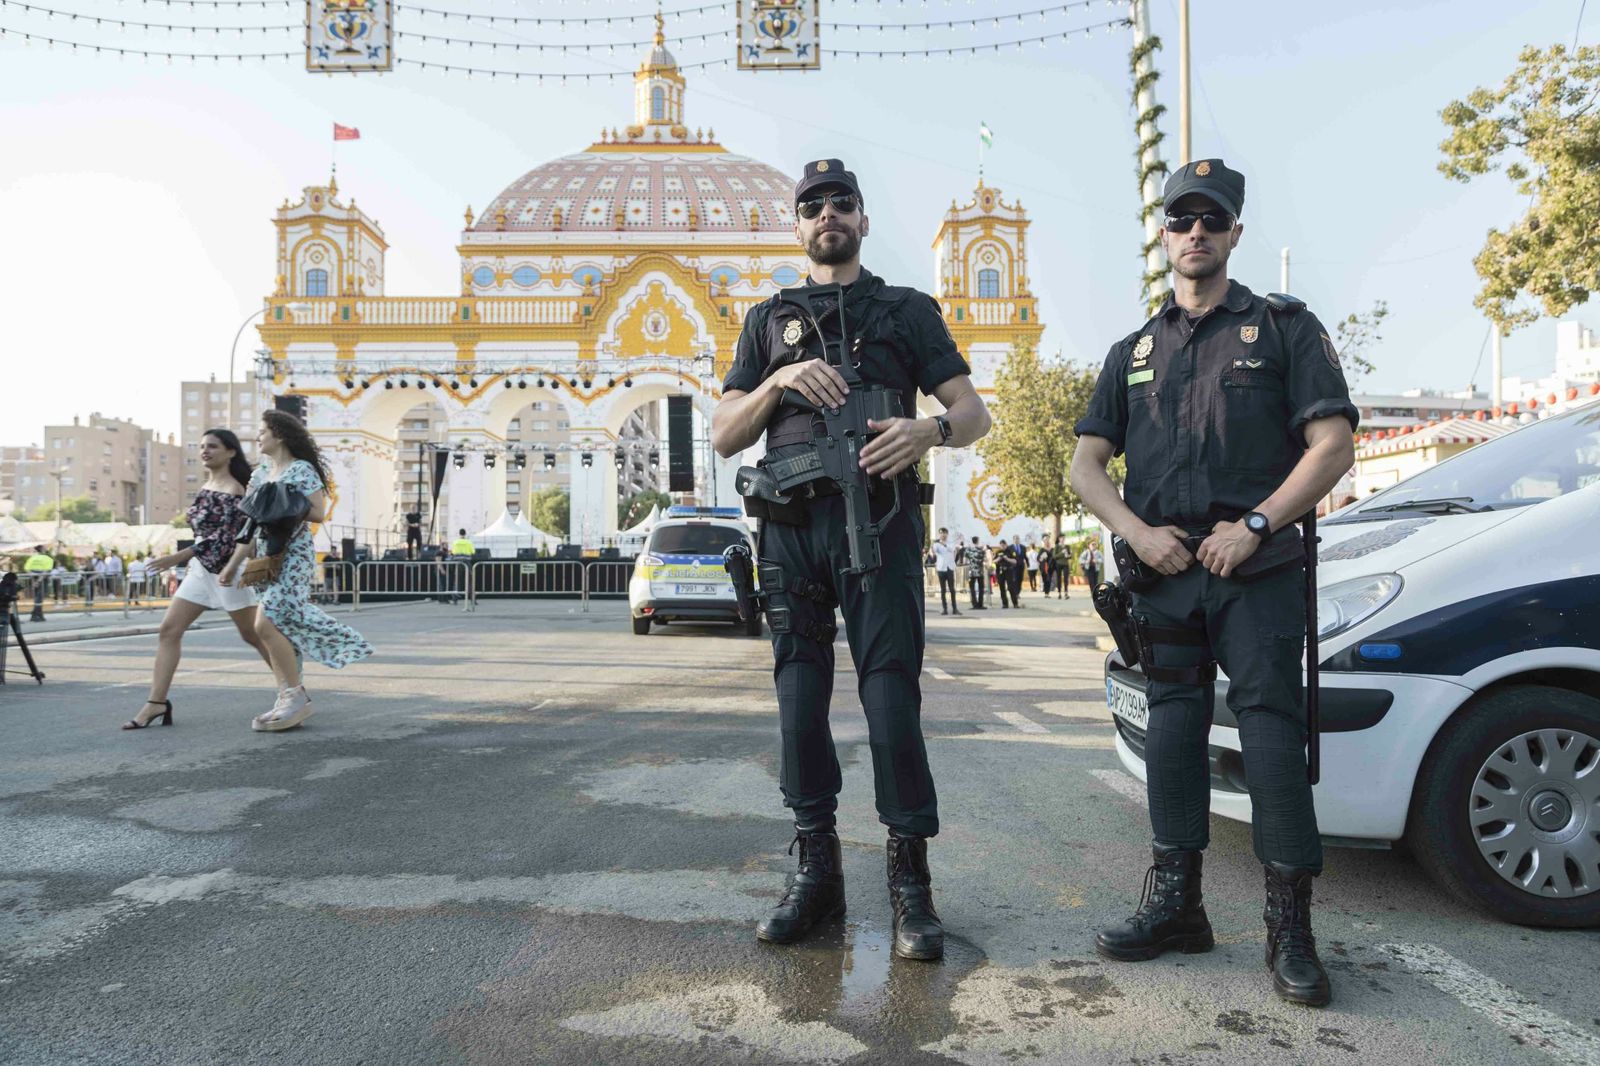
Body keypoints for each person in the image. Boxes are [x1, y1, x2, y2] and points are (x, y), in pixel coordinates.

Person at [1069, 158, 1357, 1008]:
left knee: (1269, 739)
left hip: (1254, 569)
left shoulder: (1282, 329)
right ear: (1164, 235)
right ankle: (1177, 907)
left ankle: (1289, 928)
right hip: (1163, 574)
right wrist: (1137, 532)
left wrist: (1257, 524)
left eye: (1212, 219)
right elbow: (1086, 464)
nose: (1196, 231)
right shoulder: (1133, 352)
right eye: (1181, 219)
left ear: (1234, 232)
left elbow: (1333, 446)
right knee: (1171, 733)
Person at [712, 157, 991, 961]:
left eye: (842, 203)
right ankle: (818, 876)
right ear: (798, 226)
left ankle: (911, 885)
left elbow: (972, 412)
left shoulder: (905, 310)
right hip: (791, 532)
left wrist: (929, 431)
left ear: (863, 220)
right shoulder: (768, 320)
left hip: (880, 526)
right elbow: (726, 431)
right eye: (812, 206)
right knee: (799, 708)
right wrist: (780, 380)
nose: (827, 215)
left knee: (892, 704)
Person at [219, 409, 374, 732]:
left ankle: (296, 695)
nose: (258, 437)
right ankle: (286, 698)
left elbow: (317, 513)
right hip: (266, 557)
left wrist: (281, 500)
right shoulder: (259, 474)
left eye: (263, 431)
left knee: (266, 622)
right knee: (281, 627)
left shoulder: (301, 469)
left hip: (293, 554)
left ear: (279, 435)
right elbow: (251, 525)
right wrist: (233, 566)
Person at [124, 429, 275, 730]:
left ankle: (292, 688)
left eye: (213, 446)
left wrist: (178, 557)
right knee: (169, 630)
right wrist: (189, 557)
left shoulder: (235, 489)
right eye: (203, 446)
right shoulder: (207, 485)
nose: (205, 451)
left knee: (252, 635)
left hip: (228, 569)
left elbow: (228, 539)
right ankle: (156, 703)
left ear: (231, 452)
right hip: (201, 570)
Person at [932, 527, 961, 616]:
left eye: (944, 533)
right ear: (939, 534)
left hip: (949, 568)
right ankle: (944, 609)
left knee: (952, 589)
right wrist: (934, 545)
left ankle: (955, 608)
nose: (943, 535)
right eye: (941, 533)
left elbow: (952, 549)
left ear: (947, 534)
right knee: (943, 589)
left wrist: (943, 544)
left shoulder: (950, 543)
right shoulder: (936, 544)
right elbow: (934, 551)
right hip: (941, 568)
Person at [23, 545, 52, 619]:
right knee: (40, 597)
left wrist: (33, 580)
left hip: (33, 579)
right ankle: (37, 614)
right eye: (45, 548)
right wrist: (38, 581)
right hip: (42, 579)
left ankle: (36, 614)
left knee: (37, 597)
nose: (46, 548)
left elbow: (27, 569)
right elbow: (45, 571)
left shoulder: (32, 558)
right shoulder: (48, 559)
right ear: (42, 549)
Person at [966, 537, 987, 610]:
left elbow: (966, 557)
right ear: (978, 541)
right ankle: (980, 604)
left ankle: (974, 604)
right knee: (981, 588)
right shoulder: (981, 550)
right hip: (980, 571)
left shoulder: (969, 550)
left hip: (972, 571)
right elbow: (984, 558)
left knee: (972, 589)